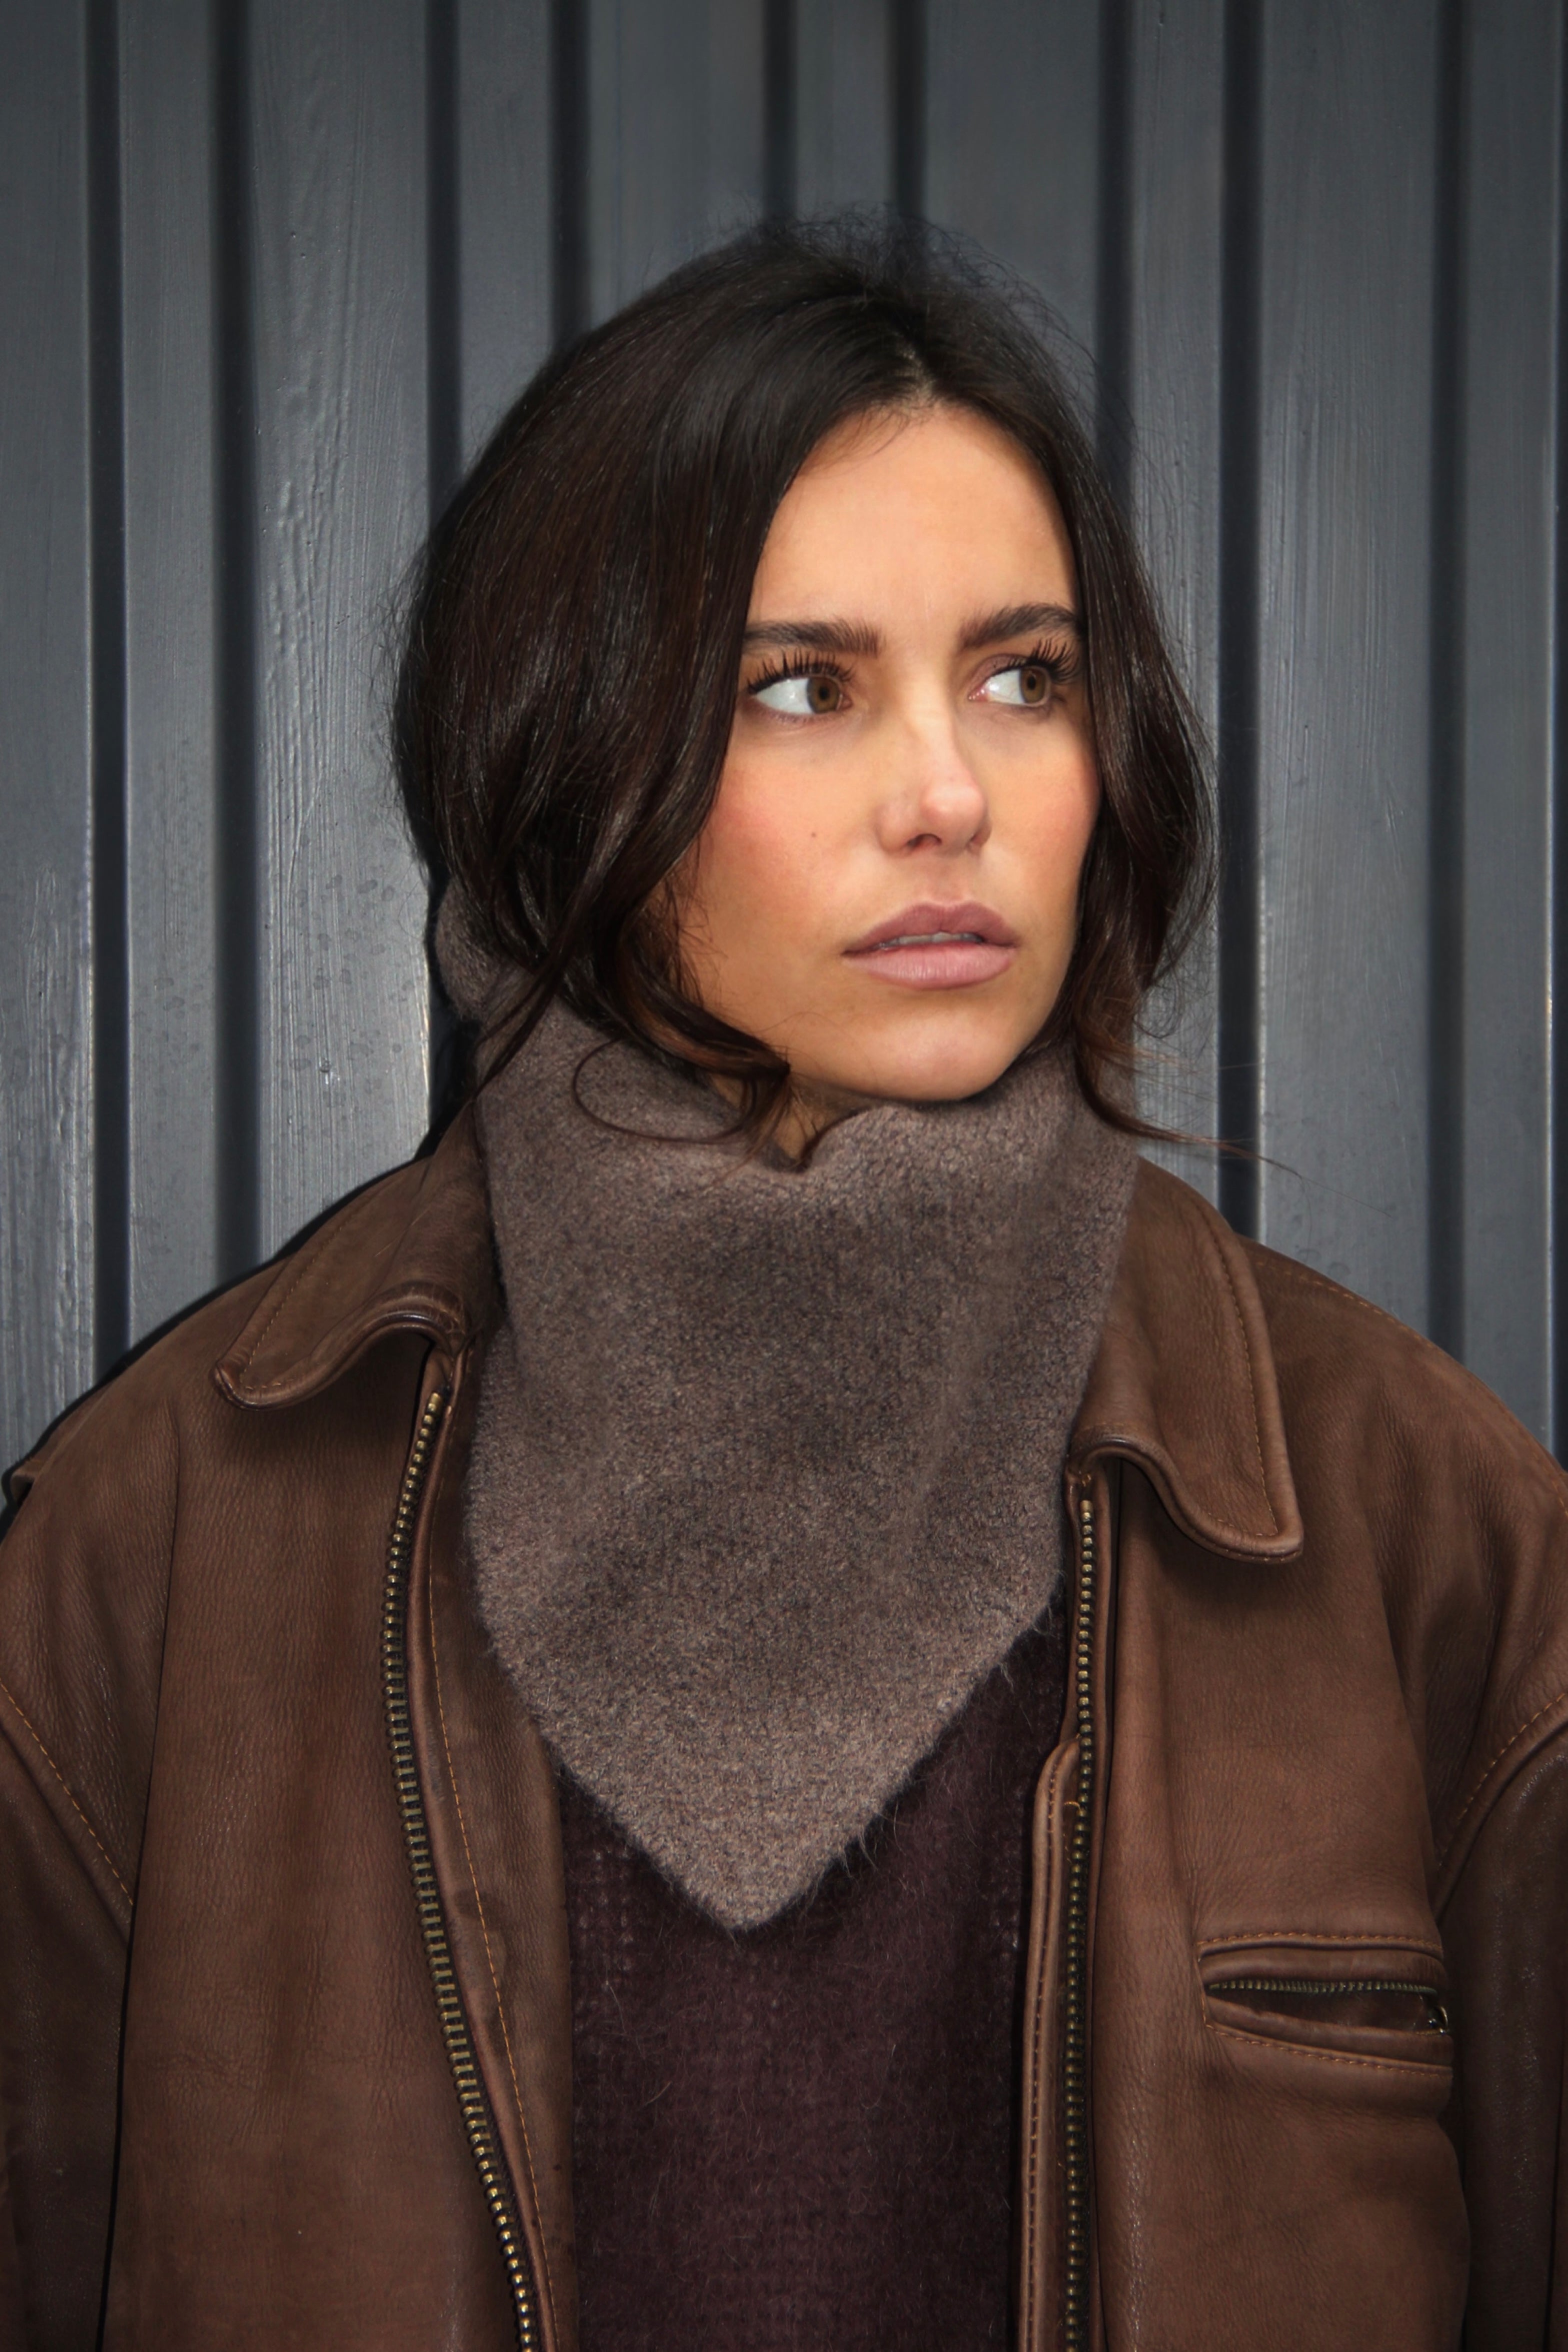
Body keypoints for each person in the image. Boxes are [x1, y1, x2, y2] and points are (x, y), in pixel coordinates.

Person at [0, 216, 1560, 2352]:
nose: (951, 795)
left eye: (1025, 678)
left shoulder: (1417, 1527)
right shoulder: (159, 1548)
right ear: (577, 751)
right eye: (802, 687)